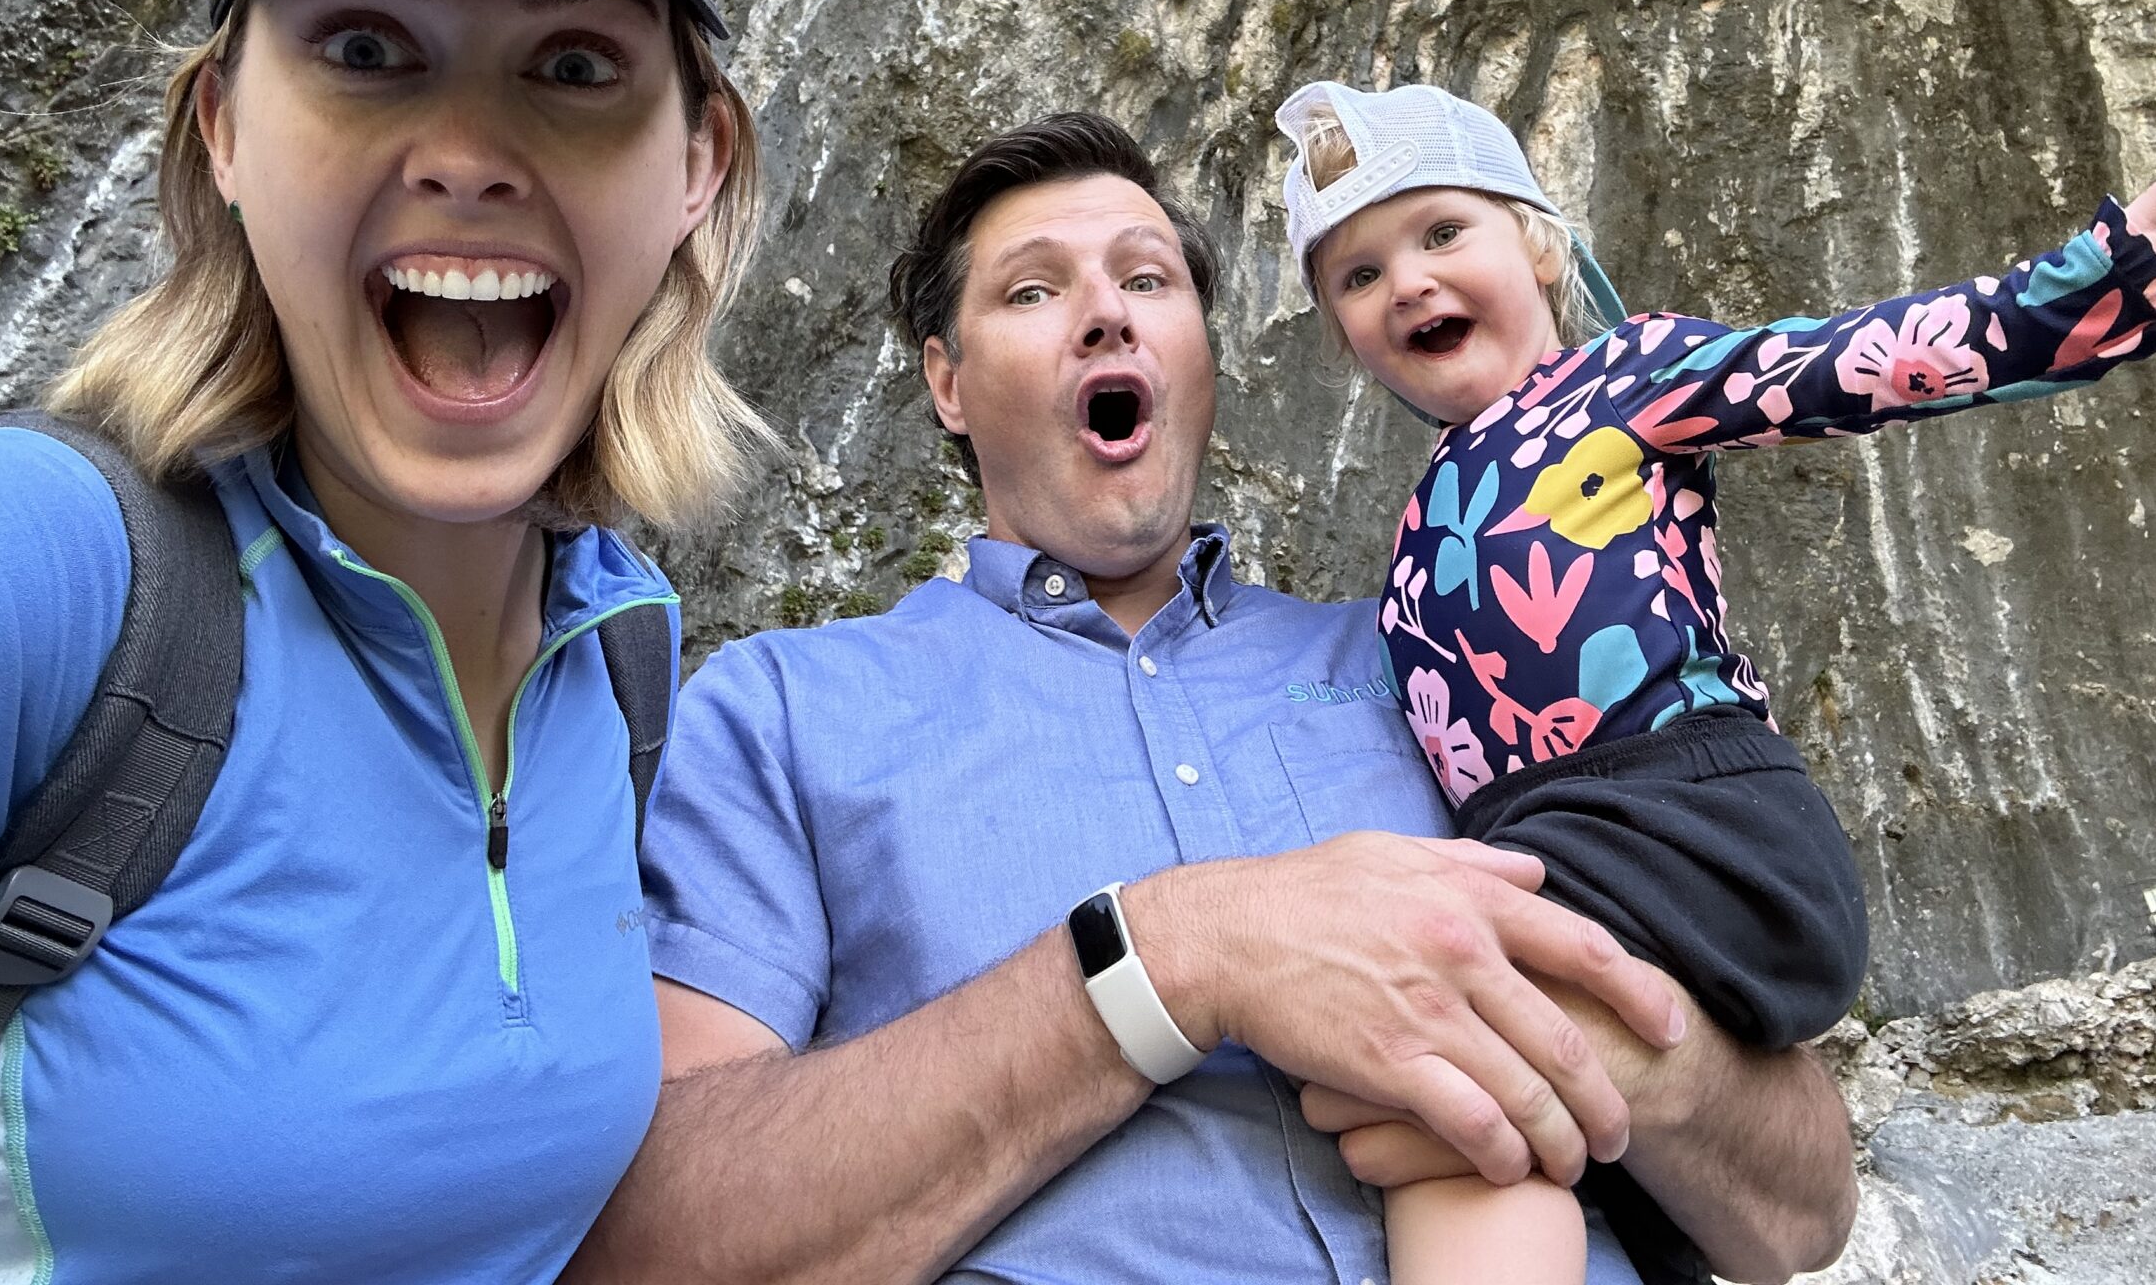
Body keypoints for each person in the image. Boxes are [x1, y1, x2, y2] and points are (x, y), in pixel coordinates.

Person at [572, 112, 1858, 1285]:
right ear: (946, 383)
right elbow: (657, 1240)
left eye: (1149, 281)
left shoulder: (1435, 663)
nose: (1105, 315)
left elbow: (1804, 1210)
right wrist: (1173, 959)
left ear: (1203, 355)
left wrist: (1599, 1050)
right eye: (1033, 290)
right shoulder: (784, 709)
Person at [0, 0, 766, 1280]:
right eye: (366, 50)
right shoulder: (47, 571)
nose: (468, 152)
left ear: (698, 163)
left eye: (575, 65)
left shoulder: (624, 651)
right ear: (224, 128)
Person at [1270, 79, 2156, 1285]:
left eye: (1443, 232)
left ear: (1539, 245)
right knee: (1490, 1127)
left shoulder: (1621, 379)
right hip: (1560, 853)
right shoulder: (1420, 517)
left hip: (1685, 821)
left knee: (1444, 1008)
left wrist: (2101, 291)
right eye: (1359, 274)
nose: (1406, 281)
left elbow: (1849, 364)